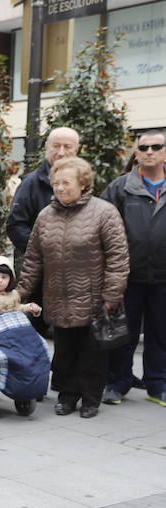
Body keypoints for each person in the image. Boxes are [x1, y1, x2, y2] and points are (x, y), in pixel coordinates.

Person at [16, 157, 129, 419]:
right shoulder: (46, 215)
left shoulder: (104, 212)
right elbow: (33, 258)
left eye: (66, 183)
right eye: (56, 183)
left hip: (93, 298)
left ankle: (91, 398)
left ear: (83, 183)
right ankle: (67, 396)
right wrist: (20, 292)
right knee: (64, 353)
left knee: (92, 354)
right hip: (57, 296)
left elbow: (118, 256)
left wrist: (112, 293)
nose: (60, 188)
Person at [101, 130, 166, 407]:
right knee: (122, 334)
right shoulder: (119, 188)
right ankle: (118, 382)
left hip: (163, 277)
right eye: (144, 147)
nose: (150, 151)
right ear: (136, 152)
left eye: (156, 146)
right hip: (127, 277)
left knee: (161, 333)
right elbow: (101, 229)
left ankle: (158, 384)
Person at [6, 126, 80, 258]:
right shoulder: (31, 183)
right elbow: (15, 225)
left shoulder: (84, 182)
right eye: (56, 146)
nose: (61, 152)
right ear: (47, 147)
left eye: (67, 147)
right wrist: (42, 252)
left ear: (76, 150)